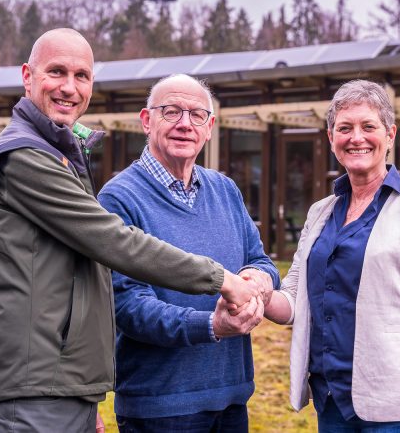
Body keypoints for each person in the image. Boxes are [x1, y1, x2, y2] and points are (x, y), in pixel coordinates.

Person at [0, 29, 257, 433]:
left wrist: (85, 399)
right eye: (56, 72)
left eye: (82, 76)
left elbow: (75, 277)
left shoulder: (59, 153)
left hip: (59, 387)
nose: (69, 87)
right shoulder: (23, 156)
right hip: (37, 389)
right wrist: (220, 280)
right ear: (27, 77)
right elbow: (114, 242)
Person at [264, 80, 400, 432]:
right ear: (331, 138)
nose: (356, 137)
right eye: (345, 128)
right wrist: (251, 291)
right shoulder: (320, 212)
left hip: (395, 413)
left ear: (390, 134)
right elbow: (293, 300)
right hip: (331, 402)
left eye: (368, 126)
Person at [97, 74, 279, 433]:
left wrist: (257, 280)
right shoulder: (118, 198)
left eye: (197, 115)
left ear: (209, 128)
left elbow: (263, 262)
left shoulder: (225, 190)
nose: (185, 124)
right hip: (160, 405)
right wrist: (211, 326)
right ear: (146, 121)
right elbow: (128, 307)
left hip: (231, 397)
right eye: (171, 112)